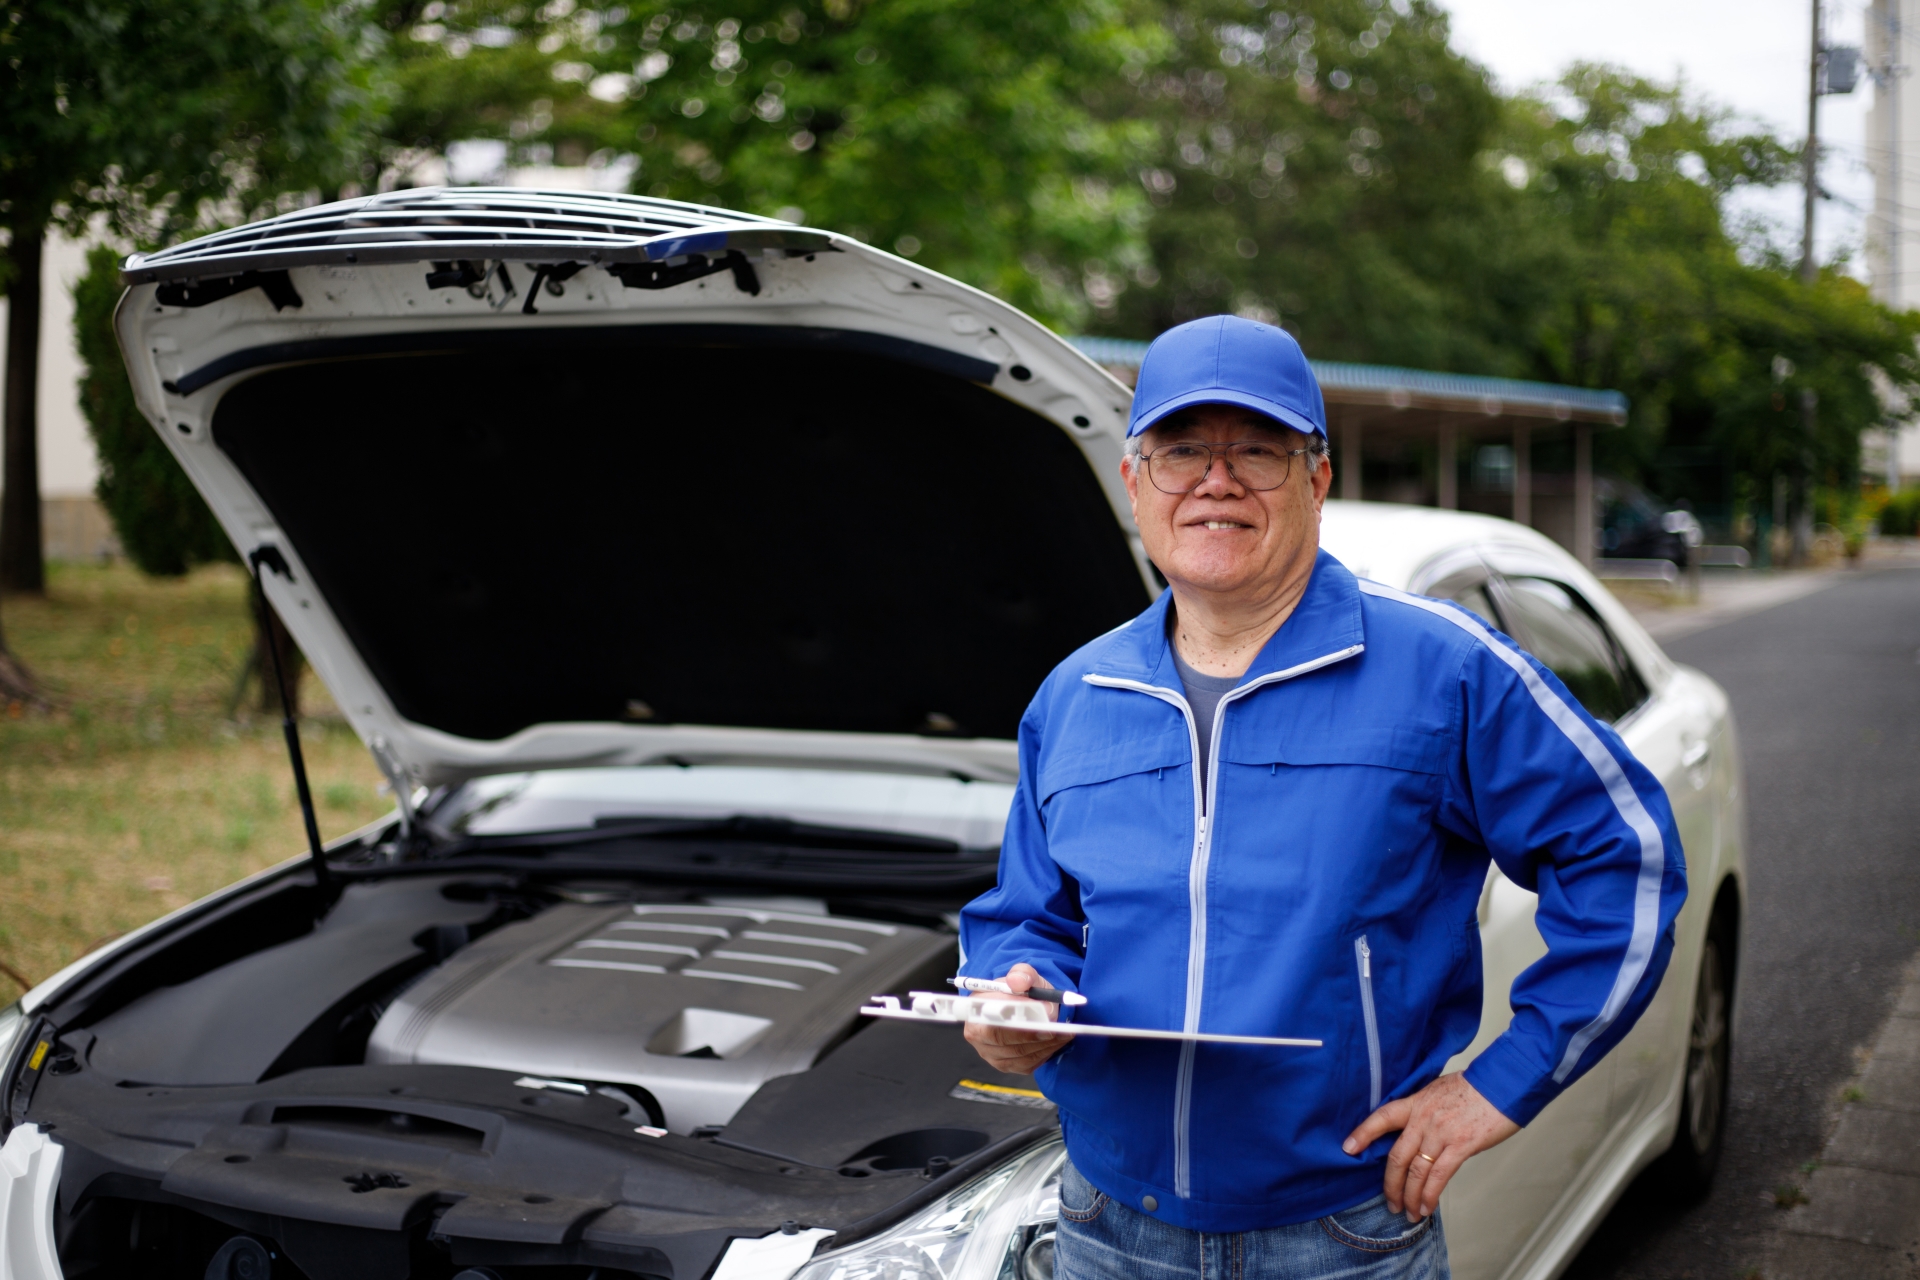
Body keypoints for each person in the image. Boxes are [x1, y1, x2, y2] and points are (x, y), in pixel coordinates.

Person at [958, 315, 1687, 1278]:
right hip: (1104, 1227)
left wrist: (1498, 1088)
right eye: (1182, 452)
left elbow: (1624, 862)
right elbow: (1026, 917)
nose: (1216, 481)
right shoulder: (1076, 697)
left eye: (1257, 450)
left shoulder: (1444, 672)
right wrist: (1012, 1000)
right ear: (1136, 482)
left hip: (1341, 1239)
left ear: (1318, 477)